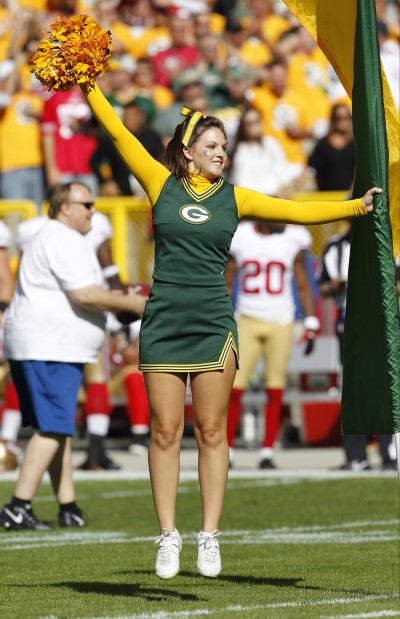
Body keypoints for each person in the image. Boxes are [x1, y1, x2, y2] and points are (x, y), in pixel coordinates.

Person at [79, 78, 380, 580]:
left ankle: (210, 535)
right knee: (165, 431)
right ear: (189, 153)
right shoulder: (159, 182)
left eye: (224, 147)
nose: (221, 153)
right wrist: (87, 86)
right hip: (165, 320)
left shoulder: (236, 198)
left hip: (213, 321)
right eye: (212, 147)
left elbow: (298, 211)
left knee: (212, 430)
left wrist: (354, 207)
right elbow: (116, 132)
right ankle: (168, 535)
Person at [0, 182, 146, 531]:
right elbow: (85, 294)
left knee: (57, 428)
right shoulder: (63, 238)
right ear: (64, 207)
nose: (93, 210)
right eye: (86, 204)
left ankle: (67, 504)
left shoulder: (59, 237)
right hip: (49, 345)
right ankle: (18, 506)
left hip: (48, 343)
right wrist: (135, 303)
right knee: (53, 427)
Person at [226, 221, 319, 469]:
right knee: (234, 388)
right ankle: (226, 450)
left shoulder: (293, 239)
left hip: (281, 320)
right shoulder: (242, 236)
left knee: (275, 388)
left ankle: (267, 451)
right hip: (246, 319)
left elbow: (302, 283)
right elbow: (227, 279)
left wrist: (311, 320)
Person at [319, 222, 397, 471]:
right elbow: (323, 288)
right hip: (351, 324)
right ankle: (355, 456)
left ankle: (390, 454)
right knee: (353, 388)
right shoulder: (336, 248)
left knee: (387, 385)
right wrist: (334, 286)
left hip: (386, 323)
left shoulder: (391, 245)